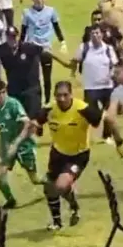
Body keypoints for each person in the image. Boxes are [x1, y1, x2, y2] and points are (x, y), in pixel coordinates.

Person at [36, 81, 102, 230]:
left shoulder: (82, 109)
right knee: (48, 186)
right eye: (58, 95)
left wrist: (113, 137)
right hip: (57, 153)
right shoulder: (49, 109)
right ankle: (57, 222)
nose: (62, 99)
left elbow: (99, 120)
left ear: (71, 95)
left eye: (65, 95)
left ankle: (73, 206)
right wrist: (35, 129)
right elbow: (36, 121)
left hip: (78, 155)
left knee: (60, 185)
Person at [0, 27, 71, 123]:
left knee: (33, 119)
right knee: (17, 119)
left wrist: (64, 63)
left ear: (17, 37)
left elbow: (47, 53)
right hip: (15, 90)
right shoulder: (2, 49)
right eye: (9, 37)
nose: (12, 39)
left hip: (31, 89)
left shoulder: (28, 47)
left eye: (14, 36)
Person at [0, 80, 45, 209]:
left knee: (35, 179)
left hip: (24, 145)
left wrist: (16, 143)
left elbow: (26, 123)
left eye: (4, 92)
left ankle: (52, 185)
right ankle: (11, 200)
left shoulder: (13, 104)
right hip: (6, 146)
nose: (2, 95)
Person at [21, 0, 67, 107]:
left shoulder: (51, 11)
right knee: (34, 77)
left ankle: (47, 101)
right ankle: (37, 100)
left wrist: (62, 42)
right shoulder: (27, 13)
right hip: (33, 48)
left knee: (47, 77)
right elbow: (23, 30)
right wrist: (20, 46)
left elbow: (56, 26)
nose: (39, 0)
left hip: (46, 48)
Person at [72, 24, 118, 142]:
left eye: (97, 33)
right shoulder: (84, 47)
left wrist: (112, 75)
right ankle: (85, 134)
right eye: (93, 33)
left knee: (110, 112)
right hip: (91, 87)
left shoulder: (108, 49)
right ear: (90, 35)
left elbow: (114, 65)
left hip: (107, 86)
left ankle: (107, 135)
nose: (95, 35)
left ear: (102, 35)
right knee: (90, 114)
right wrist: (73, 73)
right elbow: (75, 61)